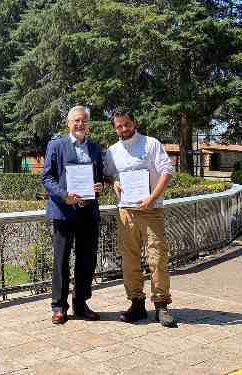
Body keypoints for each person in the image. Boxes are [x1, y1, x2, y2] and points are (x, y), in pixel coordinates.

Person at [104, 109, 176, 328]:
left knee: (157, 257)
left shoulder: (151, 144)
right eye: (119, 126)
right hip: (126, 211)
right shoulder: (113, 150)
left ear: (134, 122)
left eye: (126, 124)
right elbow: (108, 174)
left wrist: (153, 197)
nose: (123, 129)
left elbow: (167, 171)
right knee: (130, 260)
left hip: (151, 210)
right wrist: (112, 182)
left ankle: (161, 305)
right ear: (114, 128)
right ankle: (136, 303)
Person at [42, 105, 104, 324]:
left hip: (88, 212)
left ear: (88, 124)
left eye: (84, 121)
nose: (80, 124)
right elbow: (47, 178)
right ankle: (59, 307)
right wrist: (64, 195)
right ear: (69, 123)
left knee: (86, 261)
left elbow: (100, 178)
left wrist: (99, 187)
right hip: (63, 212)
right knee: (61, 261)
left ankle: (80, 303)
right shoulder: (56, 145)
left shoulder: (95, 148)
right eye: (76, 121)